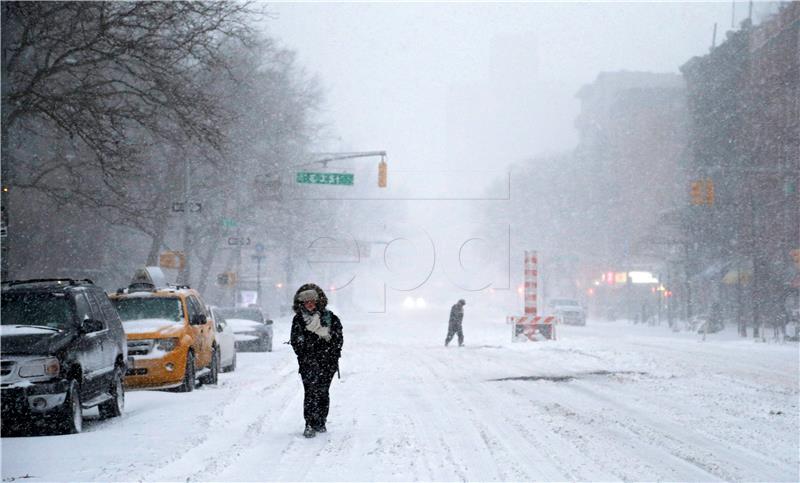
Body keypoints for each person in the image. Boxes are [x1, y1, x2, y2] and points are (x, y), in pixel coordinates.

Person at [290, 283, 343, 438]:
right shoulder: (299, 320)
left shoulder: (330, 318)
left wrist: (333, 354)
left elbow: (338, 338)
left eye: (312, 301)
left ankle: (321, 421)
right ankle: (309, 423)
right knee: (310, 392)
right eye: (306, 302)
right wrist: (305, 354)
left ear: (318, 302)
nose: (310, 304)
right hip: (308, 363)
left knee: (323, 391)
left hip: (328, 362)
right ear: (302, 304)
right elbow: (296, 340)